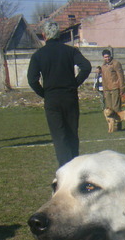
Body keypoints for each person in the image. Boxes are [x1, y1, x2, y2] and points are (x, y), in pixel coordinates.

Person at [27, 21, 91, 165]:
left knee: (59, 136)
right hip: (70, 96)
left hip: (52, 98)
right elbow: (86, 67)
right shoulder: (70, 51)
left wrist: (44, 93)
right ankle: (75, 165)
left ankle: (65, 167)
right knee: (72, 133)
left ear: (44, 35)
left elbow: (32, 79)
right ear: (59, 34)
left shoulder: (38, 55)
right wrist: (75, 83)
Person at [100, 49, 125, 129]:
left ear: (110, 56)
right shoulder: (103, 66)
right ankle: (112, 126)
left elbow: (120, 76)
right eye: (105, 57)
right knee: (109, 109)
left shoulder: (116, 64)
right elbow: (103, 79)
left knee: (116, 107)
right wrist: (104, 90)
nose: (107, 58)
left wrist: (122, 88)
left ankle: (118, 125)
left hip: (115, 88)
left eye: (108, 56)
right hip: (107, 89)